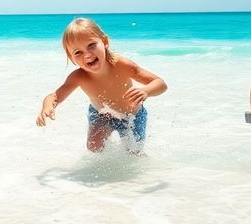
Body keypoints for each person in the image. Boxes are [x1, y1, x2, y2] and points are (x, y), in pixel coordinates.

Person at [36, 17, 167, 154]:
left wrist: (146, 91)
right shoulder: (79, 77)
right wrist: (48, 106)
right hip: (102, 114)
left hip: (132, 116)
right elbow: (55, 96)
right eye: (78, 52)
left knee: (134, 153)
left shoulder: (122, 65)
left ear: (105, 42)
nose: (87, 55)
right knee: (93, 147)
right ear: (71, 58)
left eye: (91, 45)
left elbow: (160, 83)